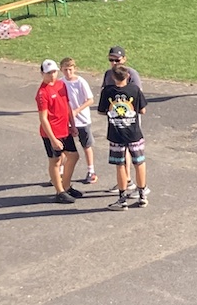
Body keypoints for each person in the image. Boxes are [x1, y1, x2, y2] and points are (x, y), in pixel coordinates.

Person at [99, 57, 150, 209]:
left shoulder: (107, 91)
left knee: (120, 165)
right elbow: (143, 110)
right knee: (139, 162)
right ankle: (142, 195)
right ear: (128, 76)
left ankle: (122, 199)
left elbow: (102, 111)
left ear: (113, 77)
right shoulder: (134, 90)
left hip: (116, 135)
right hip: (134, 133)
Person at [38, 59, 81, 204]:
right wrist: (53, 139)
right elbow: (43, 119)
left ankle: (66, 186)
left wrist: (73, 124)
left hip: (65, 129)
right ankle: (59, 191)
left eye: (54, 72)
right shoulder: (42, 93)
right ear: (42, 73)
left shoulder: (61, 84)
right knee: (55, 161)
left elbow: (67, 105)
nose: (52, 75)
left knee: (74, 156)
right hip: (52, 133)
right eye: (49, 73)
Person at [62, 56, 98, 188]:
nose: (68, 73)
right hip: (67, 121)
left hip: (82, 120)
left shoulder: (81, 82)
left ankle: (91, 171)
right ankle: (61, 172)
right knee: (65, 148)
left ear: (74, 69)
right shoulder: (61, 82)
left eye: (70, 69)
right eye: (65, 70)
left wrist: (77, 110)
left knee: (86, 146)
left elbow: (90, 100)